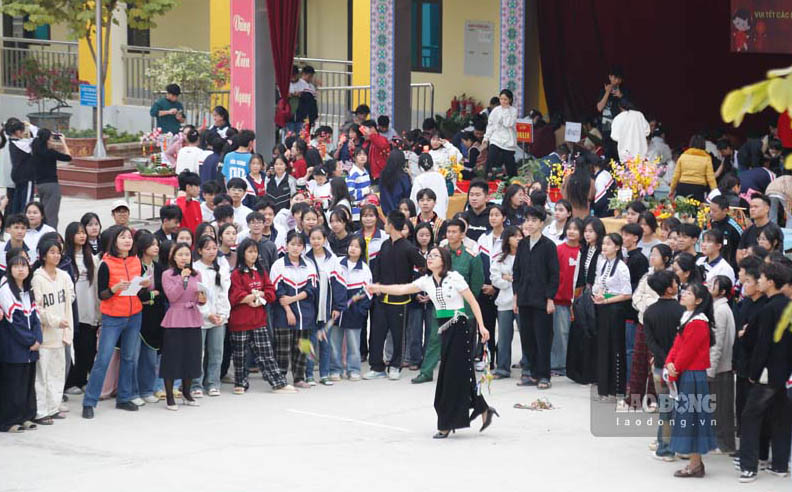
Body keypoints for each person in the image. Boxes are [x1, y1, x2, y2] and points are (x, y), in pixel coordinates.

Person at [367, 246, 497, 438]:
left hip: (459, 326)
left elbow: (473, 302)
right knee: (460, 374)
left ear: (444, 260)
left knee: (451, 376)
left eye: (435, 256)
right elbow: (402, 288)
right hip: (444, 328)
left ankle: (446, 423)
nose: (430, 258)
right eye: (429, 256)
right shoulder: (426, 281)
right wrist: (379, 287)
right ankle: (483, 408)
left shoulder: (455, 278)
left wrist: (482, 326)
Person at [82, 227, 148, 419]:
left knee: (129, 358)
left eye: (129, 237)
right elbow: (102, 295)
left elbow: (140, 293)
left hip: (135, 315)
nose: (127, 241)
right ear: (114, 241)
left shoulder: (136, 261)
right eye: (123, 237)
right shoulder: (106, 264)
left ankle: (124, 397)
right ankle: (89, 401)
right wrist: (114, 289)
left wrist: (143, 286)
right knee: (103, 359)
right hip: (112, 317)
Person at [738, 262, 792, 482]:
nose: (758, 281)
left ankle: (748, 467)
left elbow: (763, 345)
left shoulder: (769, 309)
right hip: (786, 373)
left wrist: (753, 372)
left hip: (768, 372)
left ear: (770, 282)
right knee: (781, 418)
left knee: (750, 416)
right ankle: (780, 465)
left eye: (760, 278)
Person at [665, 282, 718, 478]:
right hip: (685, 372)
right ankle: (695, 464)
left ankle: (695, 464)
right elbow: (677, 345)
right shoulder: (688, 317)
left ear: (698, 300)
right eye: (685, 291)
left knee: (692, 419)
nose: (684, 294)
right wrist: (670, 362)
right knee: (689, 418)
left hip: (692, 375)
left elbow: (687, 351)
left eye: (689, 293)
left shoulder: (699, 322)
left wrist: (674, 368)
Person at [228, 238, 294, 394]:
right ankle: (240, 382)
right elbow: (234, 295)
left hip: (258, 319)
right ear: (242, 253)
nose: (253, 255)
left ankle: (278, 382)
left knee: (266, 353)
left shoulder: (261, 272)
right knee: (240, 355)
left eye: (255, 252)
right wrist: (250, 298)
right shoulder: (236, 274)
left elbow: (271, 291)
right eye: (250, 251)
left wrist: (261, 297)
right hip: (240, 320)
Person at [367, 211, 426, 380]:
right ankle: (376, 366)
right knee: (376, 334)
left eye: (385, 223)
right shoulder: (385, 245)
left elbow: (424, 268)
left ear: (391, 225)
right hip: (381, 299)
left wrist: (414, 286)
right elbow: (377, 266)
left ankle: (395, 366)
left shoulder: (408, 247)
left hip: (400, 300)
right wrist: (376, 283)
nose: (384, 226)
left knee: (398, 335)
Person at [513, 206, 560, 389]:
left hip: (541, 301)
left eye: (533, 220)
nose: (529, 224)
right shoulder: (523, 244)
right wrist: (516, 297)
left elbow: (554, 275)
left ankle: (544, 375)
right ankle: (531, 374)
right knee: (527, 337)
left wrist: (550, 298)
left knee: (543, 338)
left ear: (541, 223)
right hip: (524, 298)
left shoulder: (549, 246)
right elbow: (517, 272)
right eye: (527, 220)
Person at [30, 239, 74, 424]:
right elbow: (37, 308)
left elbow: (70, 296)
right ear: (43, 255)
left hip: (61, 333)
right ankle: (41, 411)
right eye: (52, 252)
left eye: (58, 252)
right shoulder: (37, 278)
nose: (56, 255)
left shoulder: (64, 275)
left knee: (57, 372)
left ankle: (53, 407)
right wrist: (54, 320)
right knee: (42, 375)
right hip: (45, 334)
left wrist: (64, 324)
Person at [643, 269, 685, 460]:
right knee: (685, 407)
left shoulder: (650, 312)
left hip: (661, 367)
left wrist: (664, 359)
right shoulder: (683, 311)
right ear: (669, 289)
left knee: (666, 409)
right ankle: (685, 449)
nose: (677, 286)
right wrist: (674, 360)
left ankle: (665, 449)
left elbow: (650, 342)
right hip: (682, 366)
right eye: (675, 283)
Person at [159, 243, 205, 411]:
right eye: (180, 254)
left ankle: (186, 392)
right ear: (173, 257)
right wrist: (182, 279)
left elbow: (199, 295)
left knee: (191, 356)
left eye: (187, 254)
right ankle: (170, 396)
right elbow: (172, 295)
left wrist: (202, 298)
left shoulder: (197, 274)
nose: (184, 258)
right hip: (175, 317)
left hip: (192, 316)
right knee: (172, 357)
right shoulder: (167, 274)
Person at [269, 231, 318, 388]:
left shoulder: (309, 264)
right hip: (284, 313)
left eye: (299, 245)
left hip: (305, 314)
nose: (296, 248)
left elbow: (311, 289)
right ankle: (281, 378)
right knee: (283, 348)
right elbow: (278, 291)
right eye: (292, 244)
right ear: (286, 245)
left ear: (303, 247)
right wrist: (288, 309)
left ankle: (299, 377)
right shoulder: (278, 265)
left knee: (303, 347)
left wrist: (293, 299)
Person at [0, 254, 41, 433]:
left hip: (31, 348)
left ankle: (26, 416)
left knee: (27, 382)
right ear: (9, 269)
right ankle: (9, 421)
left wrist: (38, 338)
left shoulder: (28, 289)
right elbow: (13, 321)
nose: (21, 269)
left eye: (24, 266)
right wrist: (30, 341)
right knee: (13, 384)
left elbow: (36, 317)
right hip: (14, 346)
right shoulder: (6, 290)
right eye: (16, 266)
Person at [592, 233, 632, 399]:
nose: (604, 247)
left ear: (617, 247)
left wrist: (607, 300)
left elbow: (627, 293)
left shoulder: (622, 267)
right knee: (603, 347)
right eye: (603, 243)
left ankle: (616, 387)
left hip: (615, 309)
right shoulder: (603, 264)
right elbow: (600, 284)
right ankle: (603, 388)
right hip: (603, 307)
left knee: (615, 347)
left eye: (609, 244)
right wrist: (599, 295)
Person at [63, 222, 99, 395]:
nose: (82, 236)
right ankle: (73, 381)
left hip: (89, 307)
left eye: (83, 232)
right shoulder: (65, 259)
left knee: (89, 347)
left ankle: (82, 379)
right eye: (78, 233)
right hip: (73, 309)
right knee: (76, 346)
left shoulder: (91, 257)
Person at [192, 236, 230, 398]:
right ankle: (196, 384)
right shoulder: (195, 268)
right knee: (198, 353)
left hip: (219, 317)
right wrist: (208, 314)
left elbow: (224, 292)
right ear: (199, 250)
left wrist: (222, 314)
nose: (212, 252)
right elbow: (197, 295)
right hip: (200, 317)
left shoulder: (221, 266)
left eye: (214, 248)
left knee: (216, 352)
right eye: (207, 248)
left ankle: (213, 383)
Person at [330, 236, 372, 380]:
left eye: (357, 246)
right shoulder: (337, 264)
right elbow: (332, 286)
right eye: (351, 246)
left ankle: (353, 369)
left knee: (354, 344)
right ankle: (335, 369)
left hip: (355, 311)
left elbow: (368, 293)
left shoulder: (364, 269)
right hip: (337, 310)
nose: (353, 249)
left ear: (362, 251)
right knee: (335, 342)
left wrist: (361, 311)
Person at [132, 232, 165, 404]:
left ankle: (147, 389)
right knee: (134, 357)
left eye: (157, 244)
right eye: (152, 244)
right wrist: (151, 294)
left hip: (155, 316)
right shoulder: (135, 266)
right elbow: (137, 293)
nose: (156, 247)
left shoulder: (158, 267)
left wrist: (149, 295)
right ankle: (133, 392)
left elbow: (162, 292)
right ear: (144, 247)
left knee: (151, 357)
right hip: (138, 315)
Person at [707, 275, 736, 454]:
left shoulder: (720, 310)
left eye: (714, 284)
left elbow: (717, 343)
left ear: (722, 291)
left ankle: (724, 444)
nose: (710, 285)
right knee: (719, 406)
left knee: (721, 409)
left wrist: (710, 369)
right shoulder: (719, 307)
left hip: (720, 366)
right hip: (720, 365)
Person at [550, 218, 582, 377]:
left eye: (576, 229)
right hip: (559, 299)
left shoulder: (583, 251)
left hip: (577, 300)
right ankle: (558, 365)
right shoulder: (558, 249)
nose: (571, 232)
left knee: (570, 334)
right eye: (569, 228)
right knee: (560, 333)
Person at [490, 225, 523, 378]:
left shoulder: (526, 256)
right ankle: (503, 367)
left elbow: (525, 279)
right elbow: (495, 279)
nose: (518, 239)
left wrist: (508, 277)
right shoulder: (500, 258)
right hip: (504, 301)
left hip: (522, 301)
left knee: (526, 335)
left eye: (520, 236)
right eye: (514, 236)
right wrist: (508, 280)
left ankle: (528, 366)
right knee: (504, 336)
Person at [29, 129, 71, 229]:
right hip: (51, 185)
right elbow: (68, 157)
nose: (53, 139)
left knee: (43, 212)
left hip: (39, 185)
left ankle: (42, 231)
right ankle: (51, 235)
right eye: (51, 137)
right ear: (47, 140)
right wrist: (63, 142)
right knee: (51, 215)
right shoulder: (50, 153)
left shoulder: (35, 150)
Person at [737, 194, 784, 263]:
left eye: (756, 207)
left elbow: (778, 256)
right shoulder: (747, 231)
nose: (752, 209)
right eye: (751, 207)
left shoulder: (775, 230)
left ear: (767, 209)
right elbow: (739, 255)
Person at [669, 135, 717, 202]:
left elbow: (676, 176)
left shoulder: (683, 156)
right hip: (698, 189)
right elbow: (711, 178)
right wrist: (715, 191)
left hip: (682, 187)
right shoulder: (707, 158)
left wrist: (672, 190)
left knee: (681, 210)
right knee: (696, 211)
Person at [483, 89, 518, 177]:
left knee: (510, 164)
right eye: (501, 99)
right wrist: (486, 138)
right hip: (496, 139)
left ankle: (513, 180)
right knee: (490, 158)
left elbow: (508, 124)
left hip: (508, 142)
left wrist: (506, 110)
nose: (503, 101)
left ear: (510, 100)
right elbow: (490, 125)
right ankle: (486, 177)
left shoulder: (513, 111)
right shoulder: (496, 110)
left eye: (505, 99)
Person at [410, 153, 448, 219]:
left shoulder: (419, 179)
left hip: (424, 218)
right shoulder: (440, 177)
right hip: (440, 216)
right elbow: (446, 199)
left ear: (419, 166)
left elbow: (414, 201)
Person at [379, 150, 412, 215]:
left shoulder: (383, 175)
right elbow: (408, 193)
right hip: (401, 211)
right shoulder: (403, 176)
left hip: (387, 212)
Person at [563, 155, 595, 219]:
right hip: (585, 212)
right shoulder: (590, 181)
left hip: (571, 212)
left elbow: (565, 195)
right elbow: (591, 196)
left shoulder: (568, 179)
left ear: (575, 166)